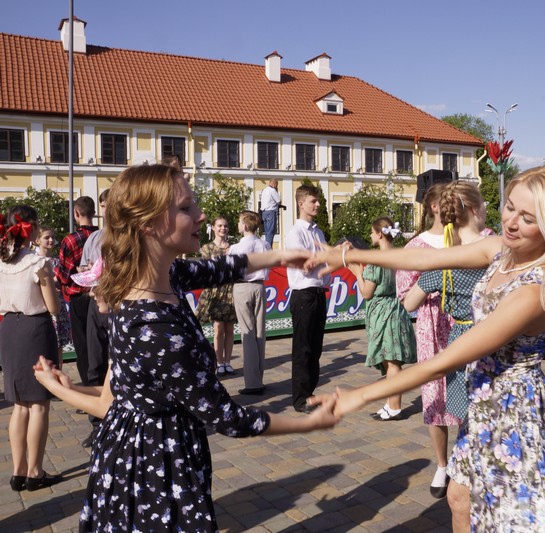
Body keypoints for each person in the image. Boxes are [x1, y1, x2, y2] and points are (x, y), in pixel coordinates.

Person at [33, 163, 337, 531]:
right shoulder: (155, 328)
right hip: (157, 469)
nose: (200, 214)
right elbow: (227, 416)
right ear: (148, 224)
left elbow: (224, 266)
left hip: (140, 456)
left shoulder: (166, 277)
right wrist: (306, 424)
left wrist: (281, 256)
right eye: (186, 208)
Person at [309, 166, 545, 531]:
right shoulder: (499, 251)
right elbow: (424, 260)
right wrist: (350, 258)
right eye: (509, 208)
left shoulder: (534, 292)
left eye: (528, 218)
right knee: (460, 497)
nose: (511, 222)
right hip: (483, 399)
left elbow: (445, 361)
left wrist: (361, 395)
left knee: (507, 516)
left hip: (513, 413)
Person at [403, 182, 490, 426]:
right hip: (492, 335)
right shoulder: (496, 249)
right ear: (475, 209)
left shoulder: (444, 262)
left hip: (459, 339)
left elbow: (409, 303)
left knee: (465, 414)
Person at [394, 183, 457, 498]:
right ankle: (442, 464)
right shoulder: (415, 247)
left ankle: (467, 459)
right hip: (432, 328)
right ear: (434, 206)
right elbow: (406, 300)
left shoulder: (470, 239)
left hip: (467, 327)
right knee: (435, 397)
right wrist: (431, 282)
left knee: (472, 392)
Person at [1, 205, 63, 491]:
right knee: (38, 404)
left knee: (19, 405)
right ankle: (35, 471)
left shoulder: (2, 262)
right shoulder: (38, 264)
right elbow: (53, 307)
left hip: (9, 329)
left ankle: (18, 470)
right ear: (33, 228)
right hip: (35, 329)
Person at [348, 217, 417, 420]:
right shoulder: (398, 257)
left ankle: (394, 406)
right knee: (391, 359)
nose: (370, 235)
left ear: (379, 234)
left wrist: (357, 273)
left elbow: (367, 292)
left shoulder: (376, 261)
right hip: (397, 309)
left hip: (384, 312)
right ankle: (390, 403)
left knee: (392, 361)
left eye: (371, 232)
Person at [286, 184, 331, 413]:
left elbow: (323, 264)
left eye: (318, 201)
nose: (318, 205)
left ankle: (310, 394)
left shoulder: (318, 232)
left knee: (315, 349)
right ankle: (300, 398)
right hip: (303, 293)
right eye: (313, 201)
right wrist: (325, 255)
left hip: (318, 292)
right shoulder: (296, 233)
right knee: (302, 349)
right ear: (301, 203)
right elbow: (304, 266)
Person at [76, 188, 110, 448]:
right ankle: (97, 424)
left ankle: (118, 420)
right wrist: (87, 272)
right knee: (94, 365)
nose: (107, 210)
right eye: (103, 206)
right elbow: (84, 268)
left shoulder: (131, 237)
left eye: (111, 204)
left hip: (119, 307)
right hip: (94, 305)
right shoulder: (94, 238)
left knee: (119, 366)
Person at [55, 196, 97, 388]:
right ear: (94, 213)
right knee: (102, 344)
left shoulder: (70, 240)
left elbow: (63, 275)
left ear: (76, 213)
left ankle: (89, 390)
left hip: (79, 297)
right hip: (102, 295)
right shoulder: (105, 236)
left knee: (83, 347)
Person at [228, 210, 270, 395]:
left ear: (244, 226)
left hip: (243, 287)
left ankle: (252, 383)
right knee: (260, 333)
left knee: (248, 333)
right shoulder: (264, 244)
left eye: (239, 222)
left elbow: (230, 268)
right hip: (259, 286)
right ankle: (258, 378)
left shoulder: (235, 248)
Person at [196, 216, 237, 375]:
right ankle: (219, 362)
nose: (223, 229)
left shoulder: (233, 248)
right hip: (215, 291)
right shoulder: (207, 247)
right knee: (218, 329)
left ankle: (227, 361)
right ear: (213, 227)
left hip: (230, 290)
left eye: (225, 226)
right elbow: (209, 268)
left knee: (230, 328)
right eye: (219, 226)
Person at [34, 225, 70, 366]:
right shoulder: (34, 261)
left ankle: (59, 376)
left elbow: (64, 280)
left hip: (59, 308)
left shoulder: (57, 261)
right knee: (43, 346)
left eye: (52, 237)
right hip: (44, 309)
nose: (50, 240)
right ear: (37, 240)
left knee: (59, 346)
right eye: (46, 237)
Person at [260, 178, 282, 247]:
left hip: (264, 213)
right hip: (271, 212)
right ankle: (268, 248)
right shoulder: (272, 190)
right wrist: (276, 190)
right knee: (270, 232)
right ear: (275, 184)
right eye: (276, 185)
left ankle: (267, 246)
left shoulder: (264, 190)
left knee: (267, 232)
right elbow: (278, 201)